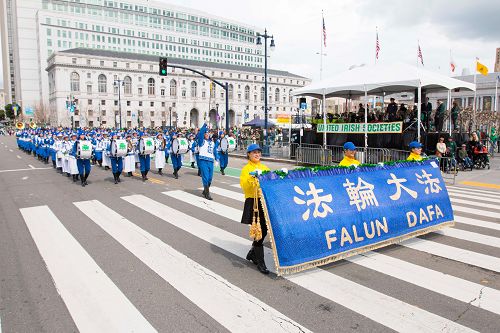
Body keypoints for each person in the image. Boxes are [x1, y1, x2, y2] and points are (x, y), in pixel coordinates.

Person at [240, 143, 270, 274]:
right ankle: (260, 261)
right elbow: (244, 186)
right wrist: (253, 178)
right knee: (259, 231)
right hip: (253, 202)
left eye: (258, 152)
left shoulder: (264, 167)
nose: (257, 154)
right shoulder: (246, 169)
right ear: (249, 155)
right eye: (254, 153)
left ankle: (253, 252)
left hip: (264, 201)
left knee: (265, 229)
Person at [196, 123, 215, 200]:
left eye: (207, 133)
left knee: (210, 178)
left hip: (211, 161)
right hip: (203, 160)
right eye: (205, 133)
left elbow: (215, 151)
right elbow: (200, 134)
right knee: (205, 177)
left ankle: (205, 191)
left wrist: (217, 158)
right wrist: (204, 126)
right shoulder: (201, 141)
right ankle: (207, 194)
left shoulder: (212, 142)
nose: (207, 134)